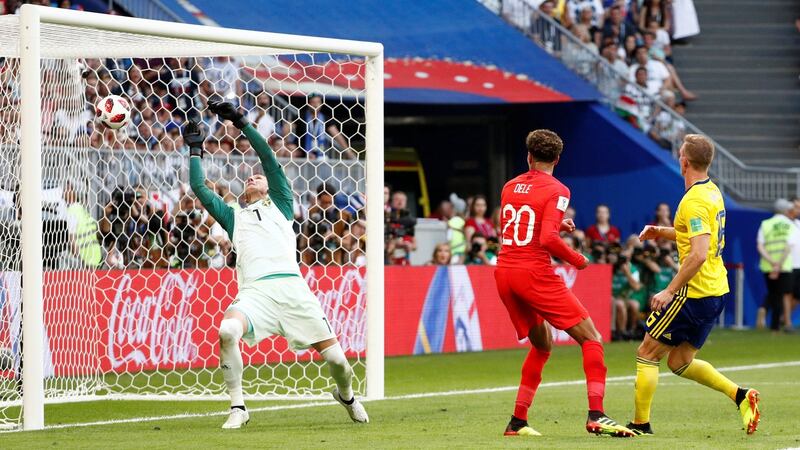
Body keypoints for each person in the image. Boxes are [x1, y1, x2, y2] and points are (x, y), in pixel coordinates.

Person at [182, 100, 367, 429]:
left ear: (269, 187)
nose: (254, 177)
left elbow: (268, 158)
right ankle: (238, 406)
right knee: (227, 331)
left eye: (259, 177)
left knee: (339, 362)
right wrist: (195, 150)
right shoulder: (232, 216)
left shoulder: (281, 203)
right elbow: (198, 187)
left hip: (294, 291)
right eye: (249, 178)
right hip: (257, 293)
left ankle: (347, 395)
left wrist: (241, 121)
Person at [494, 129, 633, 438]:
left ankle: (517, 421)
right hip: (533, 272)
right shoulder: (558, 189)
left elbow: (523, 223)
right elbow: (546, 239)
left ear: (528, 156)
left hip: (505, 272)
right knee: (592, 337)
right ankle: (597, 414)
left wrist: (557, 225)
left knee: (542, 345)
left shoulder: (509, 186)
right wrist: (577, 259)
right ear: (557, 159)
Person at [630, 134, 760, 435]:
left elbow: (699, 254)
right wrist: (662, 232)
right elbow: (699, 237)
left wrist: (669, 290)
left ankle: (640, 425)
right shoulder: (712, 191)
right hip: (715, 291)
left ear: (684, 161)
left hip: (694, 292)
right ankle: (741, 396)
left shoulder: (693, 201)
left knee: (647, 352)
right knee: (679, 361)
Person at [756, 198, 796, 332]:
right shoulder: (789, 224)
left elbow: (760, 245)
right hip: (784, 265)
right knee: (782, 295)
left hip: (768, 265)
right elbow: (788, 246)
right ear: (786, 210)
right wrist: (778, 264)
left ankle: (764, 310)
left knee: (773, 294)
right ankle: (775, 327)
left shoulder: (766, 224)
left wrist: (772, 263)